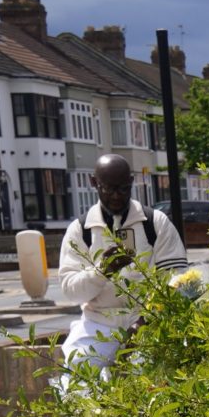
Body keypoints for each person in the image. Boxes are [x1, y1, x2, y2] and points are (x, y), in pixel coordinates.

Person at [57, 152, 188, 375]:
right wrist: (101, 272)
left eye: (123, 189)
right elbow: (71, 291)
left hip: (148, 324)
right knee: (79, 374)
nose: (116, 196)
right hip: (99, 324)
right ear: (94, 183)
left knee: (151, 379)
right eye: (108, 189)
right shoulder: (80, 230)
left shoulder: (155, 223)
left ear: (131, 182)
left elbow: (178, 281)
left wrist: (147, 320)